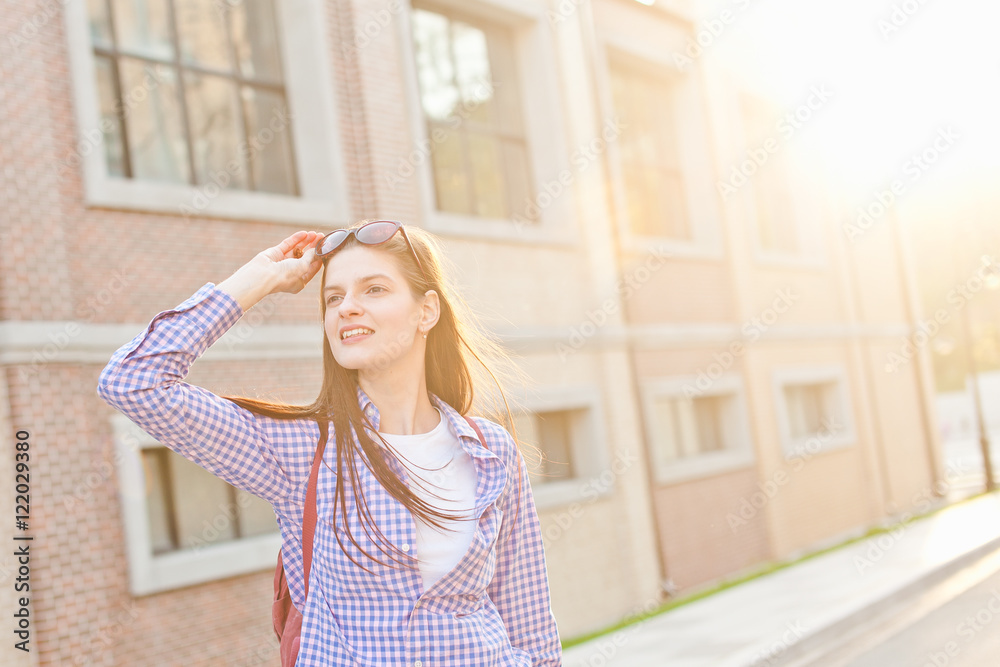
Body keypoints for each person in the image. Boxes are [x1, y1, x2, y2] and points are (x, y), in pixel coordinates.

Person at [96, 221, 563, 666]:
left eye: (374, 289)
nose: (347, 308)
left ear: (427, 311)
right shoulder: (301, 449)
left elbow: (529, 619)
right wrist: (257, 280)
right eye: (333, 297)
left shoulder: (489, 449)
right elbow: (134, 382)